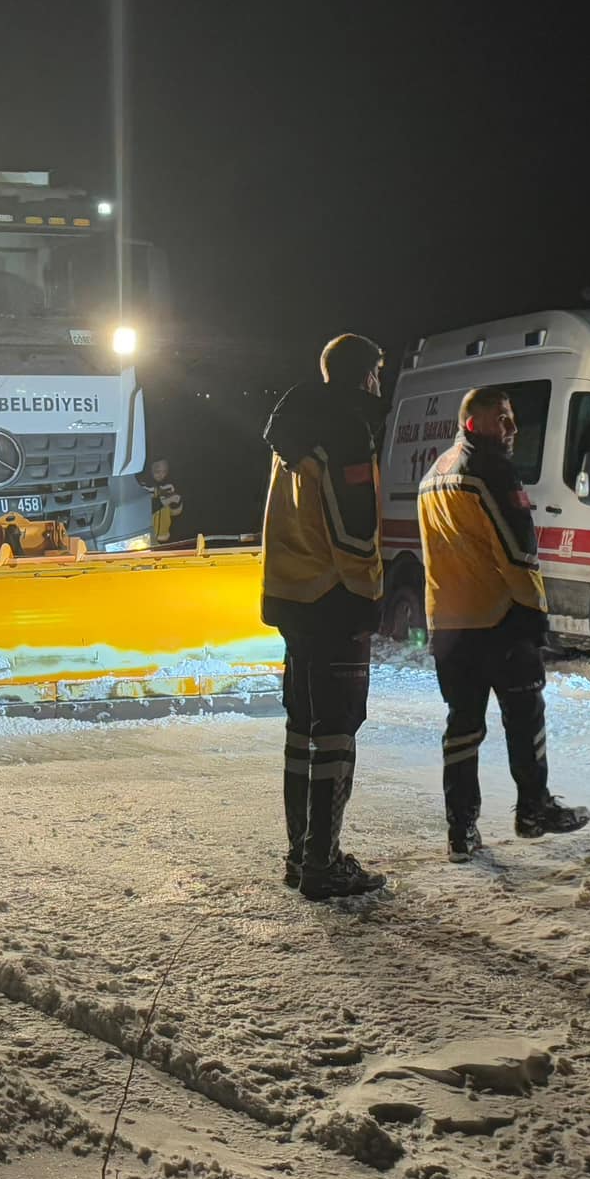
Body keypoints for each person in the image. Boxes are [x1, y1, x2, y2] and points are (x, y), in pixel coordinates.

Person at [419, 387, 590, 862]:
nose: (511, 429)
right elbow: (519, 551)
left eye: (513, 418)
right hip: (497, 619)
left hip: (449, 624)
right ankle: (533, 808)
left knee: (463, 728)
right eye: (502, 419)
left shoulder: (435, 471)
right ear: (473, 422)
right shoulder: (490, 468)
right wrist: (535, 614)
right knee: (524, 716)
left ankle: (460, 831)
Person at [260, 334, 390, 902]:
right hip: (335, 598)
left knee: (303, 728)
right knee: (336, 730)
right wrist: (369, 595)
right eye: (377, 375)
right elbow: (354, 527)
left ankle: (300, 853)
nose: (380, 387)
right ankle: (323, 861)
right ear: (363, 377)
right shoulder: (346, 428)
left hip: (293, 594)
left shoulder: (295, 423)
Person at [139, 458, 183, 544]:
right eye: (157, 471)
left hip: (165, 538)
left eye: (164, 471)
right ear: (150, 469)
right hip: (145, 539)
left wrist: (177, 501)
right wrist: (166, 501)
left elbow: (175, 513)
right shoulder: (142, 488)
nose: (161, 475)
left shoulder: (169, 486)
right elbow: (143, 510)